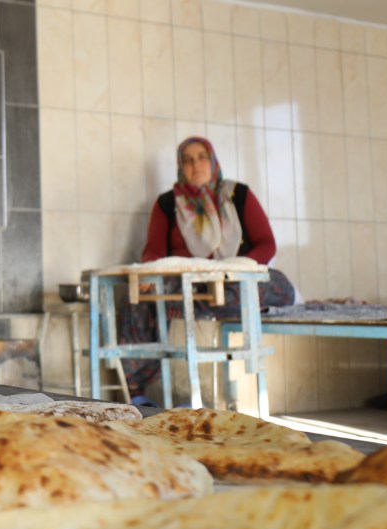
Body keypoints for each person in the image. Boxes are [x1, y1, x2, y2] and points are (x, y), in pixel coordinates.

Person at [119, 136, 297, 406]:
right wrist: (147, 271)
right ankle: (140, 392)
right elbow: (153, 249)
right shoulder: (168, 204)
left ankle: (205, 304)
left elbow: (266, 244)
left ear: (213, 162)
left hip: (232, 282)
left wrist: (235, 270)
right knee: (136, 296)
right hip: (187, 285)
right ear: (180, 167)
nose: (195, 164)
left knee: (281, 287)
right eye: (187, 159)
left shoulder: (238, 195)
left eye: (201, 156)